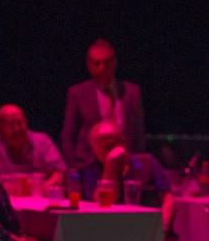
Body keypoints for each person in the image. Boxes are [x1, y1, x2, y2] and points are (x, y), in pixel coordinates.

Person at [61, 39, 146, 170]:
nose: (102, 68)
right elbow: (68, 135)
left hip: (125, 163)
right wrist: (74, 167)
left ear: (114, 63)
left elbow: (138, 132)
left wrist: (138, 163)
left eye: (106, 63)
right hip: (89, 165)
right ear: (88, 65)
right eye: (97, 63)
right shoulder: (78, 93)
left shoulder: (131, 92)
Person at [0, 104, 67, 191]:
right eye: (11, 125)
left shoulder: (42, 142)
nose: (17, 129)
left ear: (26, 122)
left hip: (39, 197)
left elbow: (59, 172)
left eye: (19, 123)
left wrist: (43, 188)